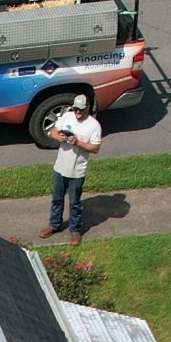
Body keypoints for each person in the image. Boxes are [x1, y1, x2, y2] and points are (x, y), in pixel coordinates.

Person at [43, 100, 103, 243]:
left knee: (75, 203)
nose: (77, 112)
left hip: (77, 171)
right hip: (59, 167)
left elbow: (95, 148)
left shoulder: (93, 125)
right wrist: (60, 137)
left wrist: (78, 143)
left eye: (81, 109)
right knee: (57, 199)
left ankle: (75, 230)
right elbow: (52, 132)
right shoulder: (67, 116)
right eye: (75, 108)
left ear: (87, 108)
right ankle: (54, 225)